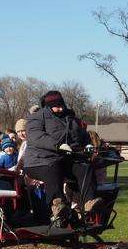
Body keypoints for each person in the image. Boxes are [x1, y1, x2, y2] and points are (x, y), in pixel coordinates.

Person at [23, 90, 100, 225]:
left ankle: (88, 202)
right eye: (57, 106)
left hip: (64, 159)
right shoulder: (36, 118)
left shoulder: (70, 119)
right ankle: (57, 204)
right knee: (52, 168)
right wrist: (58, 145)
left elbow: (81, 136)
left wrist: (88, 145)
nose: (61, 108)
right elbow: (36, 137)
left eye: (62, 105)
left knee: (84, 167)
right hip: (39, 160)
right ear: (48, 106)